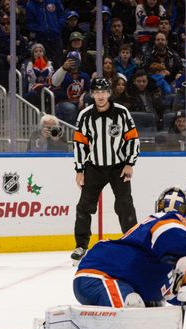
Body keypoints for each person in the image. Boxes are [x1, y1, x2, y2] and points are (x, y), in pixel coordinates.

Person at [74, 187, 186, 311]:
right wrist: (184, 260)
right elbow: (170, 230)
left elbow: (173, 295)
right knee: (132, 308)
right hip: (102, 275)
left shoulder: (162, 254)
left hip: (104, 277)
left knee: (155, 304)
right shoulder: (169, 220)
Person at [71, 77, 140, 262]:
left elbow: (132, 139)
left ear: (109, 93)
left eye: (103, 92)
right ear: (92, 94)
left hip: (118, 166)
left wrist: (129, 163)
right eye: (97, 92)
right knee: (84, 206)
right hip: (94, 167)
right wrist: (79, 169)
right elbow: (79, 144)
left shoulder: (121, 113)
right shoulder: (85, 115)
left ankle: (133, 243)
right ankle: (80, 245)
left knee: (125, 205)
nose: (100, 96)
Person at [52, 51, 91, 125]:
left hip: (79, 102)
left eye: (75, 60)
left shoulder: (84, 76)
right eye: (70, 60)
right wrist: (63, 68)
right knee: (70, 108)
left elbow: (88, 91)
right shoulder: (63, 73)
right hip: (63, 103)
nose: (72, 62)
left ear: (79, 61)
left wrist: (82, 98)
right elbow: (54, 83)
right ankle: (72, 134)